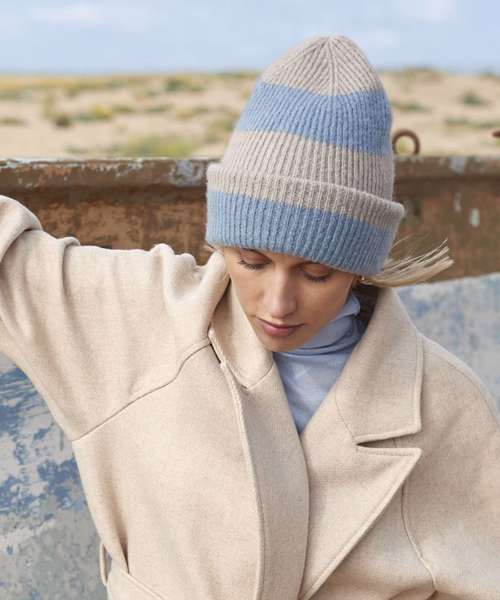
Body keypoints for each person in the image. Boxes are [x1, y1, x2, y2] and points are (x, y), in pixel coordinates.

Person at [0, 34, 499, 600]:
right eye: (252, 262)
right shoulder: (138, 315)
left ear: (360, 267)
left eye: (317, 273)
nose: (277, 303)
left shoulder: (449, 408)